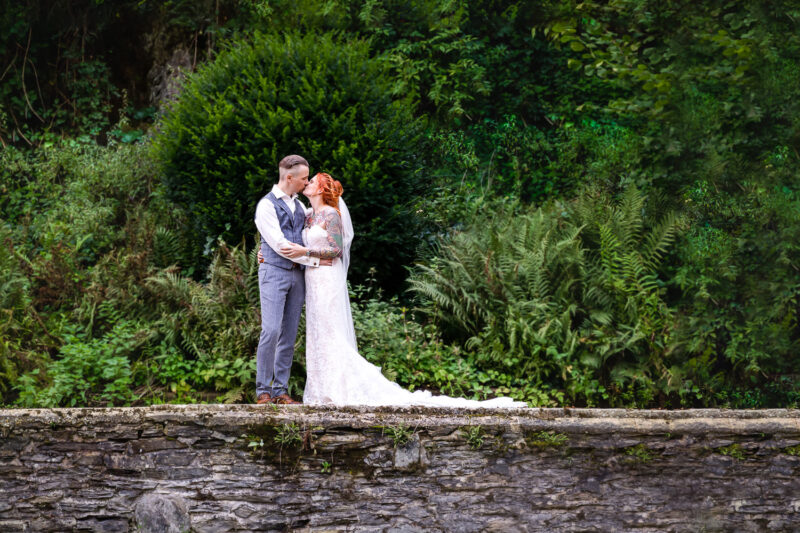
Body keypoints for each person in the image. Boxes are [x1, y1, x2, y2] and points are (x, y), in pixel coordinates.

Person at [273, 172, 527, 408]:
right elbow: (292, 239)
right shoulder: (309, 215)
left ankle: (339, 388)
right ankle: (320, 390)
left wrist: (305, 252)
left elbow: (336, 251)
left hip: (327, 279)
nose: (307, 183)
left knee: (330, 331)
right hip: (313, 279)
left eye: (312, 180)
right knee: (317, 332)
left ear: (322, 188)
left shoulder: (331, 215)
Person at [253, 155, 332, 405]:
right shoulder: (266, 205)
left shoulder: (300, 207)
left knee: (289, 334)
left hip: (298, 276)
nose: (306, 182)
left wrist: (310, 258)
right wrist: (316, 260)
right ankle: (263, 390)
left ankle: (280, 390)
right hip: (274, 272)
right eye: (304, 178)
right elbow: (279, 244)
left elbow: (309, 238)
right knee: (271, 330)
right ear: (289, 177)